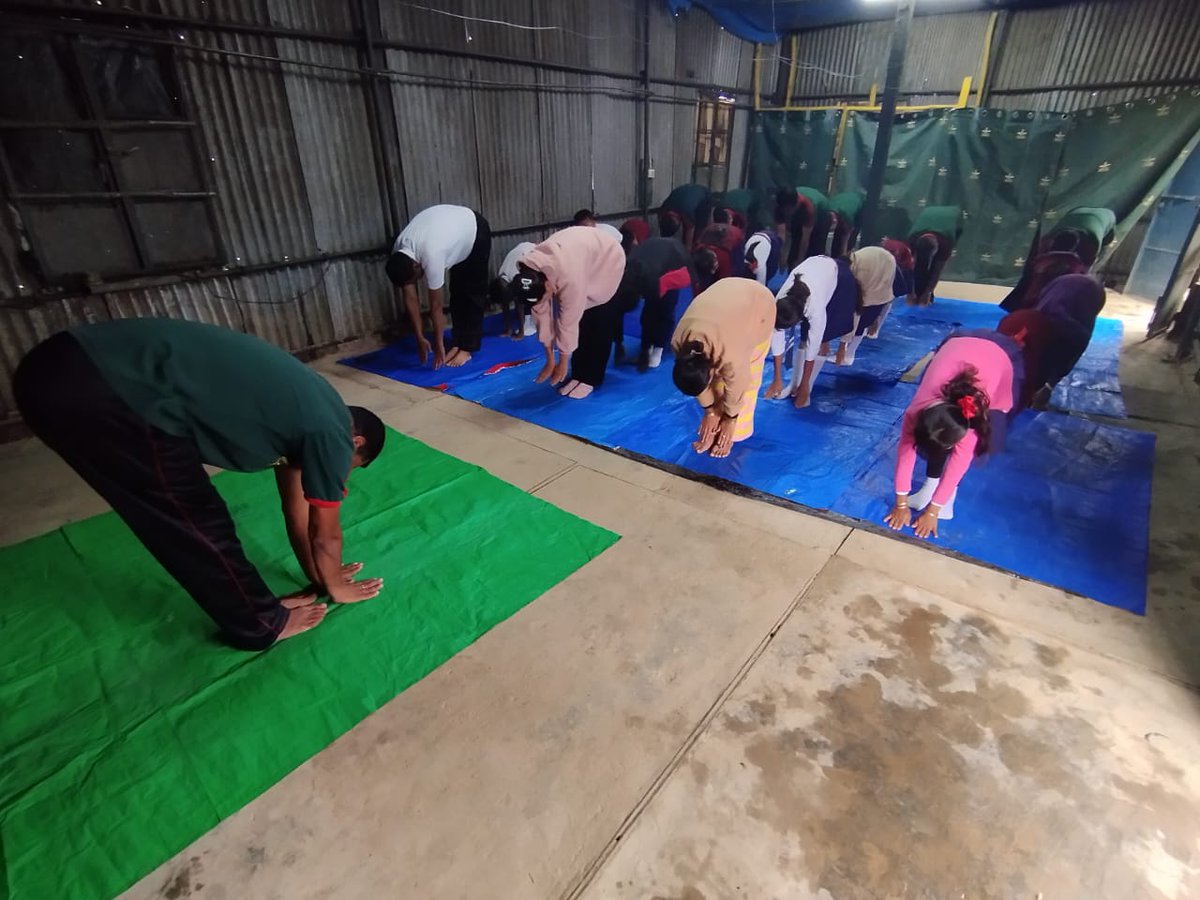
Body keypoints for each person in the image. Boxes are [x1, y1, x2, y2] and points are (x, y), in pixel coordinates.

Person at [13, 318, 388, 650]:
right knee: (193, 519)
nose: (341, 473)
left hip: (64, 367)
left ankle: (256, 609)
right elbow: (325, 535)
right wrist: (337, 588)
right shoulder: (332, 434)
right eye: (351, 467)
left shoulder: (305, 415)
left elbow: (296, 513)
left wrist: (322, 576)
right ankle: (259, 624)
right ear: (356, 444)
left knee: (184, 512)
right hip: (105, 389)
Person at [883, 331, 1019, 538]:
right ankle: (928, 488)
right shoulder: (915, 413)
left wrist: (934, 511)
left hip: (997, 359)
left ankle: (946, 497)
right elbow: (905, 454)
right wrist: (901, 503)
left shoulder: (970, 420)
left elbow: (958, 464)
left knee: (976, 444)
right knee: (933, 448)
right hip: (954, 348)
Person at [510, 226, 627, 399]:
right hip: (580, 256)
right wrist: (550, 359)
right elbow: (542, 318)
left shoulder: (569, 277)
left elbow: (567, 323)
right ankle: (578, 374)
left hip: (606, 259)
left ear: (549, 285)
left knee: (597, 321)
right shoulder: (530, 273)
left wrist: (563, 363)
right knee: (579, 324)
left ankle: (591, 378)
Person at [670, 279, 778, 458]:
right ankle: (716, 426)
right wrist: (709, 411)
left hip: (759, 306)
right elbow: (697, 380)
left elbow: (738, 385)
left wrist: (730, 419)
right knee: (714, 389)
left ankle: (728, 437)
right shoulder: (679, 344)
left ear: (711, 369)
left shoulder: (731, 354)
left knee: (744, 385)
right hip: (727, 296)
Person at [385, 203, 492, 368]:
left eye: (415, 278)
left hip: (474, 230)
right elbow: (410, 297)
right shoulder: (399, 254)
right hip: (452, 233)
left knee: (472, 291)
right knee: (457, 291)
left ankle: (467, 348)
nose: (417, 282)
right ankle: (458, 341)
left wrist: (439, 346)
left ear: (416, 265)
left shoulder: (431, 254)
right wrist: (419, 337)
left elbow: (436, 306)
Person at [763, 254, 858, 408]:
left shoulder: (815, 308)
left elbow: (812, 349)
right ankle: (794, 385)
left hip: (836, 277)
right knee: (802, 340)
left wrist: (805, 385)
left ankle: (807, 386)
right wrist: (777, 378)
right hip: (813, 268)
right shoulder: (779, 301)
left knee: (821, 341)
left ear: (801, 317)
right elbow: (777, 337)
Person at [998, 274, 1106, 408]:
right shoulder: (1026, 323)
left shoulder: (1075, 330)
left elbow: (1072, 352)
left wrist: (1049, 386)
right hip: (1064, 293)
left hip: (1085, 295)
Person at [612, 236, 696, 371]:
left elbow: (653, 311)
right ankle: (648, 345)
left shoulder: (656, 281)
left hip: (672, 266)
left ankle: (658, 348)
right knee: (648, 314)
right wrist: (618, 343)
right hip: (650, 258)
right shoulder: (625, 275)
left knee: (665, 311)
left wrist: (646, 352)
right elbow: (618, 313)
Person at [836, 246, 897, 366]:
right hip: (881, 287)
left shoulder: (857, 270)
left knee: (859, 321)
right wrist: (876, 319)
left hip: (877, 288)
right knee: (864, 320)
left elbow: (855, 308)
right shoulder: (858, 262)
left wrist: (842, 346)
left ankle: (848, 355)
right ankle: (848, 353)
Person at [908, 205, 962, 307]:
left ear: (936, 248)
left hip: (954, 215)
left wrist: (927, 293)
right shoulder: (912, 240)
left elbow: (937, 271)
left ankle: (926, 295)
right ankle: (918, 293)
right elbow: (908, 269)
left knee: (935, 264)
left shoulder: (946, 243)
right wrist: (910, 293)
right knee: (920, 265)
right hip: (928, 213)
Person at [866, 238, 916, 340]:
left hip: (897, 271)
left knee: (887, 298)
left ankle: (875, 328)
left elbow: (886, 294)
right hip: (878, 268)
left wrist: (875, 320)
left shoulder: (901, 265)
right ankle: (869, 324)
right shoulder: (872, 261)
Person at [490, 241, 537, 338]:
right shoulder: (501, 276)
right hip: (521, 250)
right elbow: (505, 305)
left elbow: (519, 304)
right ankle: (514, 326)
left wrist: (521, 332)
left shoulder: (517, 276)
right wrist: (508, 329)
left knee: (531, 294)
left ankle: (531, 320)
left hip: (532, 251)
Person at [774, 186, 830, 268]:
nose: (787, 213)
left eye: (789, 210)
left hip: (822, 213)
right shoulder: (779, 207)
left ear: (796, 204)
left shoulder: (808, 207)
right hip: (798, 210)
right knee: (794, 243)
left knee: (814, 249)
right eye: (785, 210)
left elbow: (805, 240)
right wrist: (781, 257)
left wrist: (800, 261)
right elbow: (781, 235)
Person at [692, 221, 746, 290]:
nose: (713, 271)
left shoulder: (724, 257)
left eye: (714, 268)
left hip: (734, 236)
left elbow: (725, 282)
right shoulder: (697, 251)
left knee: (737, 273)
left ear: (715, 260)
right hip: (711, 233)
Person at [657, 183, 713, 248]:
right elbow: (662, 226)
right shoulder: (663, 210)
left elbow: (690, 231)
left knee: (698, 230)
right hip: (686, 193)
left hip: (704, 196)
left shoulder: (687, 211)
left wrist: (687, 251)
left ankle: (697, 247)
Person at [826, 191, 865, 259]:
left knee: (850, 238)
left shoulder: (847, 215)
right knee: (837, 237)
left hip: (858, 206)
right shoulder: (826, 209)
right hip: (841, 201)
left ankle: (847, 259)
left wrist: (843, 256)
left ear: (835, 221)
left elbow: (846, 237)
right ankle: (834, 257)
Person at [744, 223, 783, 288]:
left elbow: (762, 287)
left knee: (770, 271)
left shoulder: (760, 268)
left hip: (771, 241)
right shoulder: (743, 263)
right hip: (758, 237)